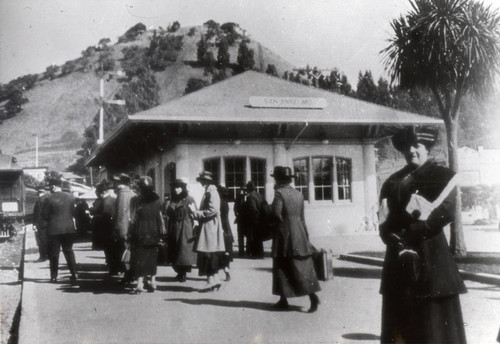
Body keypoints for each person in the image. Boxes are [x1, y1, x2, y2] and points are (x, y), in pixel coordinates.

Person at [379, 126, 467, 343]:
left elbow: (443, 213)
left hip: (431, 258)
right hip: (398, 260)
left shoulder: (442, 177)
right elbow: (383, 218)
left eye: (416, 145)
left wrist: (409, 234)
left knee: (433, 327)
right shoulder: (392, 181)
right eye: (407, 147)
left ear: (426, 147)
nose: (412, 150)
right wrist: (388, 235)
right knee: (402, 325)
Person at [270, 166, 320, 313]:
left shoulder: (279, 193)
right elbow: (302, 218)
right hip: (300, 232)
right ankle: (312, 296)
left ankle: (283, 300)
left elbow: (275, 214)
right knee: (302, 266)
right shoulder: (299, 194)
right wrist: (306, 237)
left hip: (284, 233)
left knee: (281, 265)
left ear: (278, 180)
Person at [128, 176, 165, 293]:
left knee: (140, 257)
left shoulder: (135, 200)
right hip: (154, 232)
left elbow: (132, 219)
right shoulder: (158, 200)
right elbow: (160, 217)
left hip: (140, 231)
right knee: (152, 257)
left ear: (140, 188)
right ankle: (152, 281)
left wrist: (129, 233)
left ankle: (140, 284)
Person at [191, 171, 226, 292]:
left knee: (208, 254)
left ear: (207, 181)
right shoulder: (210, 191)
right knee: (211, 254)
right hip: (209, 226)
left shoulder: (211, 192)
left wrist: (196, 213)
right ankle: (215, 280)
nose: (201, 183)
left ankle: (211, 281)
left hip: (210, 227)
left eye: (202, 181)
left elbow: (213, 209)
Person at [42, 179, 78, 284]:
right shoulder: (71, 197)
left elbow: (44, 214)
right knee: (69, 251)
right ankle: (74, 274)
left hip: (54, 230)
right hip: (68, 229)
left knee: (54, 253)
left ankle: (54, 276)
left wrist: (52, 219)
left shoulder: (48, 198)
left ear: (53, 187)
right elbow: (73, 212)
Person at [166, 178, 197, 282]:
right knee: (174, 249)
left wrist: (194, 226)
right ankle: (179, 272)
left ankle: (183, 273)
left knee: (183, 250)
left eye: (178, 187)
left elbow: (194, 214)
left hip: (185, 226)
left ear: (183, 188)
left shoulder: (189, 199)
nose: (176, 189)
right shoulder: (172, 200)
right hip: (174, 227)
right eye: (175, 187)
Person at [112, 173, 136, 284]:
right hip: (131, 227)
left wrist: (117, 229)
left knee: (125, 252)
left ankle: (128, 275)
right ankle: (131, 275)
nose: (114, 183)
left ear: (120, 183)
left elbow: (121, 214)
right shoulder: (131, 193)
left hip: (124, 228)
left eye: (116, 181)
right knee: (130, 251)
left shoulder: (122, 194)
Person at [90, 180, 116, 275]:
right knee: (112, 249)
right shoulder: (113, 199)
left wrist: (95, 216)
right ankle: (113, 266)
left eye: (97, 192)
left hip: (106, 229)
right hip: (111, 228)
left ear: (102, 192)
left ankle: (112, 268)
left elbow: (105, 215)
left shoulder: (105, 202)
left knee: (108, 250)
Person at [242, 181, 265, 259]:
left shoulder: (250, 197)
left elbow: (253, 210)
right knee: (258, 238)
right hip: (261, 219)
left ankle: (254, 254)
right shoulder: (260, 195)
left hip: (254, 221)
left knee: (252, 237)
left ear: (248, 189)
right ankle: (260, 253)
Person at [218, 185, 234, 281]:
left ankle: (225, 270)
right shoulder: (225, 203)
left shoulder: (220, 203)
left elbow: (223, 217)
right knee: (226, 251)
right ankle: (226, 270)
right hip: (227, 228)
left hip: (222, 227)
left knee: (222, 251)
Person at [33, 186, 49, 262]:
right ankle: (48, 255)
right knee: (47, 239)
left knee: (41, 240)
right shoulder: (48, 199)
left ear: (38, 193)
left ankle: (42, 257)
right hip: (48, 223)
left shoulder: (39, 201)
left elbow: (37, 214)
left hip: (41, 224)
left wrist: (34, 224)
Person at [233, 187, 247, 257]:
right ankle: (241, 252)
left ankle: (247, 251)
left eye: (244, 191)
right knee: (240, 236)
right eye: (241, 191)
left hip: (246, 220)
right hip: (240, 220)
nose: (242, 193)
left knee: (247, 236)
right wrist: (237, 213)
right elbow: (235, 209)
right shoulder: (237, 199)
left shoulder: (247, 198)